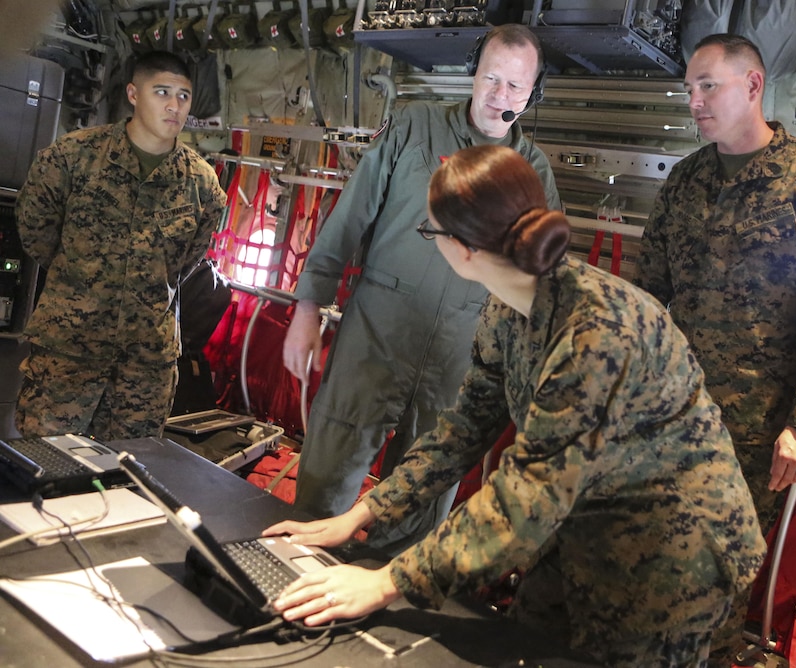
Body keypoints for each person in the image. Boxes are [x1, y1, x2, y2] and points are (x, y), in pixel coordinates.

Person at [264, 144, 766, 667]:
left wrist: (387, 582)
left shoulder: (599, 333)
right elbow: (463, 429)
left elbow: (526, 498)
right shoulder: (509, 305)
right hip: (581, 531)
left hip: (673, 558)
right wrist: (362, 514)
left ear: (463, 247)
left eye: (429, 231)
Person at [631, 33, 796, 660]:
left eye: (708, 85)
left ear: (754, 85)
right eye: (689, 89)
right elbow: (649, 298)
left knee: (715, 579)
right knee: (645, 561)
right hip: (672, 416)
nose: (695, 101)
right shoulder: (684, 182)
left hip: (756, 430)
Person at [282, 24, 561, 549]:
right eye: (491, 78)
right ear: (473, 73)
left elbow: (536, 281)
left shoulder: (534, 172)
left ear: (533, 93)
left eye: (515, 87)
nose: (500, 95)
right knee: (326, 480)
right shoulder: (415, 124)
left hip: (459, 358)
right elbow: (349, 218)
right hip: (376, 335)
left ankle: (380, 606)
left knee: (420, 501)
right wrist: (306, 307)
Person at [15, 51, 226, 441]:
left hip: (143, 368)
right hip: (69, 353)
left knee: (127, 477)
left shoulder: (202, 184)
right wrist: (81, 281)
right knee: (45, 468)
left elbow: (186, 262)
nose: (173, 105)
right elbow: (35, 231)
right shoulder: (73, 157)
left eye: (183, 96)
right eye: (161, 92)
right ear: (133, 94)